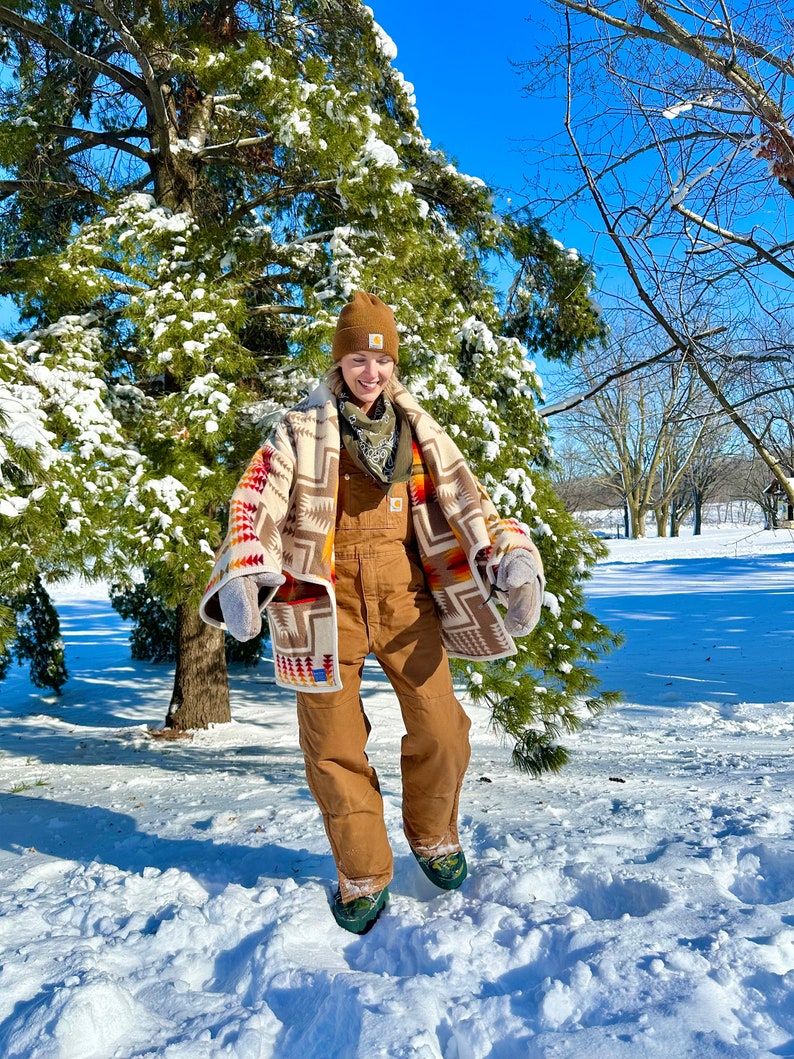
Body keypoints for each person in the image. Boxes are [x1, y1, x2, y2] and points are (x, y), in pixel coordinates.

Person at [200, 292, 544, 934]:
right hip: (323, 602)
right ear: (341, 361)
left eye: (380, 361)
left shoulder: (419, 432)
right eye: (358, 358)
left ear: (392, 365)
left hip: (406, 598)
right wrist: (247, 566)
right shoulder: (300, 431)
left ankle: (434, 834)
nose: (370, 372)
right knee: (333, 744)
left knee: (443, 729)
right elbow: (255, 500)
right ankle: (361, 870)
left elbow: (469, 504)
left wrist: (509, 554)